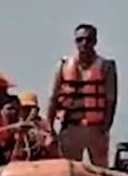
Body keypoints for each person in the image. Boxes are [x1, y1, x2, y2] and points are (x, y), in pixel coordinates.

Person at [46, 23, 117, 165]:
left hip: (96, 128)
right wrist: (50, 129)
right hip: (70, 127)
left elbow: (111, 99)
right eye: (80, 40)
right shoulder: (63, 65)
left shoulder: (106, 67)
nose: (84, 43)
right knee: (68, 167)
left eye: (88, 40)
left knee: (101, 171)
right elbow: (53, 98)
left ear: (95, 41)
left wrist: (106, 127)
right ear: (75, 42)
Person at [10, 91, 60, 161]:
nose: (27, 111)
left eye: (30, 108)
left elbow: (52, 146)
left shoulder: (44, 124)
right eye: (24, 108)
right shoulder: (15, 125)